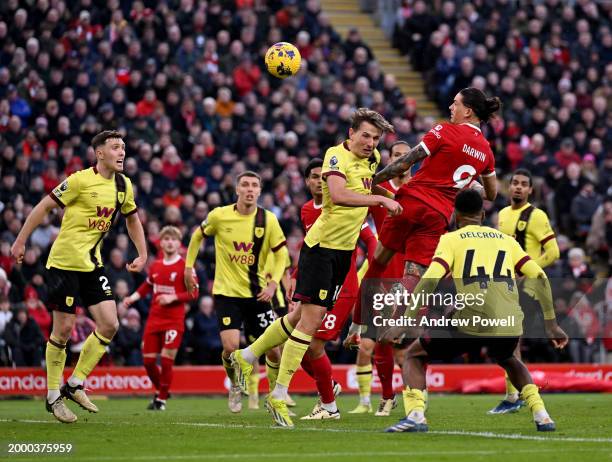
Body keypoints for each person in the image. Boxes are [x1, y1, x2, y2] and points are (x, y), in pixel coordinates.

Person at [231, 108, 401, 427]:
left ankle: (246, 357)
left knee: (296, 317)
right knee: (309, 325)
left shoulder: (373, 158)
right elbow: (337, 194)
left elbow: (370, 185)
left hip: (341, 254)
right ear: (350, 133)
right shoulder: (334, 156)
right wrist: (380, 202)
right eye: (365, 135)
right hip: (321, 249)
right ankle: (279, 394)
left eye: (376, 138)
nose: (370, 142)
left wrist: (389, 194)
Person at [381, 189, 569, 433]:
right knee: (508, 358)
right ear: (482, 214)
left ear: (455, 215)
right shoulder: (507, 240)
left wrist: (405, 321)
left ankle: (416, 415)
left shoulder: (451, 239)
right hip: (510, 321)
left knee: (415, 355)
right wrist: (551, 324)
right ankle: (541, 414)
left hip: (472, 320)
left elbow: (429, 280)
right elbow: (540, 275)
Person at [10, 130, 147, 423]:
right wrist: (21, 240)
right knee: (63, 330)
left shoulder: (124, 185)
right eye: (115, 148)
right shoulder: (80, 180)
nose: (121, 152)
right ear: (99, 153)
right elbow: (44, 206)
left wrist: (143, 254)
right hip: (63, 264)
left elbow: (132, 219)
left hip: (92, 264)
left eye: (123, 147)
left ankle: (74, 383)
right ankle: (52, 395)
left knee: (110, 324)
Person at [354, 88, 499, 350]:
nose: (450, 108)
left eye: (455, 104)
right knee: (413, 274)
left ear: (468, 111)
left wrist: (371, 180)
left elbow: (405, 163)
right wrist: (469, 181)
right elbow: (490, 193)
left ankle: (362, 323)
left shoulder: (444, 130)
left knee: (378, 262)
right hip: (438, 215)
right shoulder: (487, 152)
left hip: (411, 202)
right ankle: (398, 308)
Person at [184, 171, 289, 414]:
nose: (250, 189)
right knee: (231, 348)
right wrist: (188, 267)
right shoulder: (219, 216)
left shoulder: (268, 219)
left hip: (258, 294)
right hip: (227, 293)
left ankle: (276, 397)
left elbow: (281, 252)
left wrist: (273, 284)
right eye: (245, 185)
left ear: (260, 191)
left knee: (274, 350)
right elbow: (197, 235)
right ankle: (234, 384)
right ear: (237, 190)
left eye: (255, 185)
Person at [295, 158, 377, 420]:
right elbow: (310, 248)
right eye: (314, 176)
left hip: (342, 287)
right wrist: (296, 277)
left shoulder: (344, 206)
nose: (319, 181)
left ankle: (329, 405)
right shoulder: (307, 210)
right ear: (307, 181)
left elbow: (371, 241)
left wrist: (372, 272)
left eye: (323, 176)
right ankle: (328, 389)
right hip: (315, 286)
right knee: (294, 344)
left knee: (313, 344)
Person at [346, 141, 412, 416]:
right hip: (383, 274)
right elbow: (354, 215)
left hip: (411, 274)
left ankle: (414, 397)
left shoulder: (419, 189)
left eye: (404, 156)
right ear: (389, 160)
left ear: (412, 161)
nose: (399, 160)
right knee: (377, 344)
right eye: (395, 155)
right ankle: (387, 397)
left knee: (403, 349)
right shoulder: (375, 189)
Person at [489, 169, 560, 414]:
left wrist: (526, 269)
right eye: (515, 183)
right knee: (507, 339)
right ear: (509, 188)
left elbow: (553, 252)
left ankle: (513, 396)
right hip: (505, 287)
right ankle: (513, 395)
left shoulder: (537, 216)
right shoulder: (502, 214)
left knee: (510, 338)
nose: (518, 188)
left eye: (524, 185)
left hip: (527, 288)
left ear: (530, 190)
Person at [124, 225, 198, 411]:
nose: (170, 242)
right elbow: (147, 285)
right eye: (166, 239)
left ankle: (161, 399)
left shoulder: (185, 267)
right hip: (154, 318)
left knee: (166, 360)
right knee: (148, 362)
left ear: (179, 243)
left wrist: (174, 297)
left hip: (174, 320)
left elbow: (194, 293)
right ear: (161, 243)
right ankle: (162, 390)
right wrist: (131, 298)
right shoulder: (156, 265)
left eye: (173, 239)